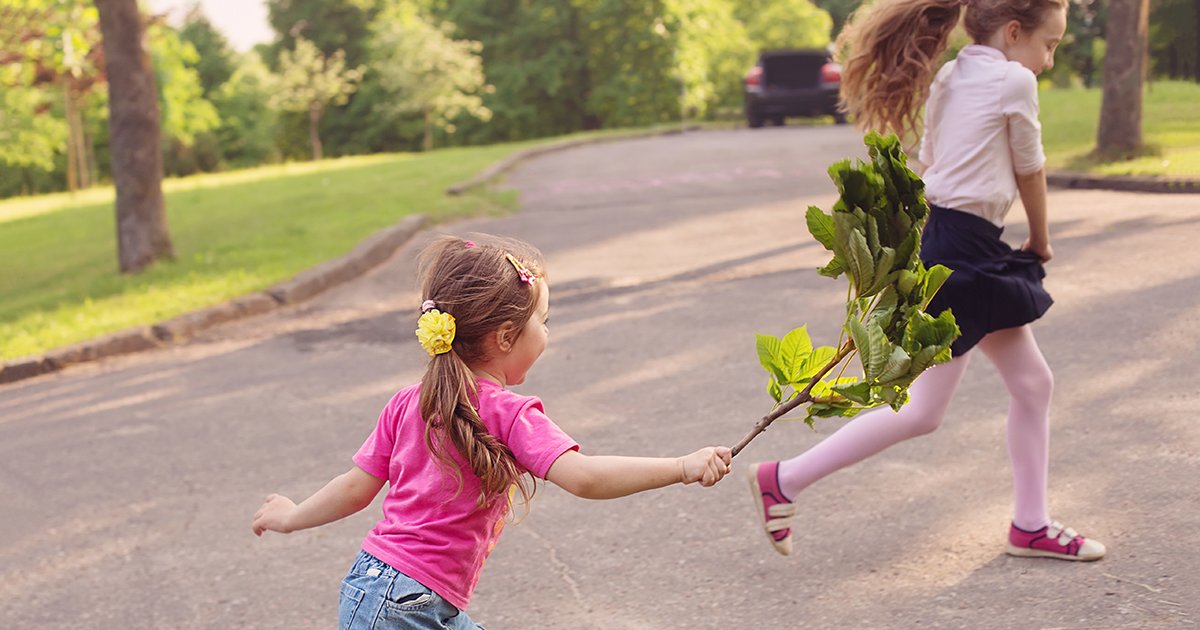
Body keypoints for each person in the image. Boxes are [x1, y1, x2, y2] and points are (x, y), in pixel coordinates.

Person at [747, 0, 1105, 561]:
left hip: (952, 240)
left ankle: (1029, 524)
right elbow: (1030, 168)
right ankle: (783, 479)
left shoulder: (950, 73)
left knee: (1028, 385)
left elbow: (934, 164)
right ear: (1014, 33)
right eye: (1050, 44)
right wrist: (1041, 239)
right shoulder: (1014, 80)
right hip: (965, 251)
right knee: (924, 410)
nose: (1050, 60)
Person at [252, 234, 732, 629]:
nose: (548, 333)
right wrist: (681, 467)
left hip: (384, 592)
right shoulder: (508, 412)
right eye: (543, 322)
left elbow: (355, 487)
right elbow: (584, 477)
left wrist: (294, 516)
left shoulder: (409, 401)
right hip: (406, 605)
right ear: (505, 336)